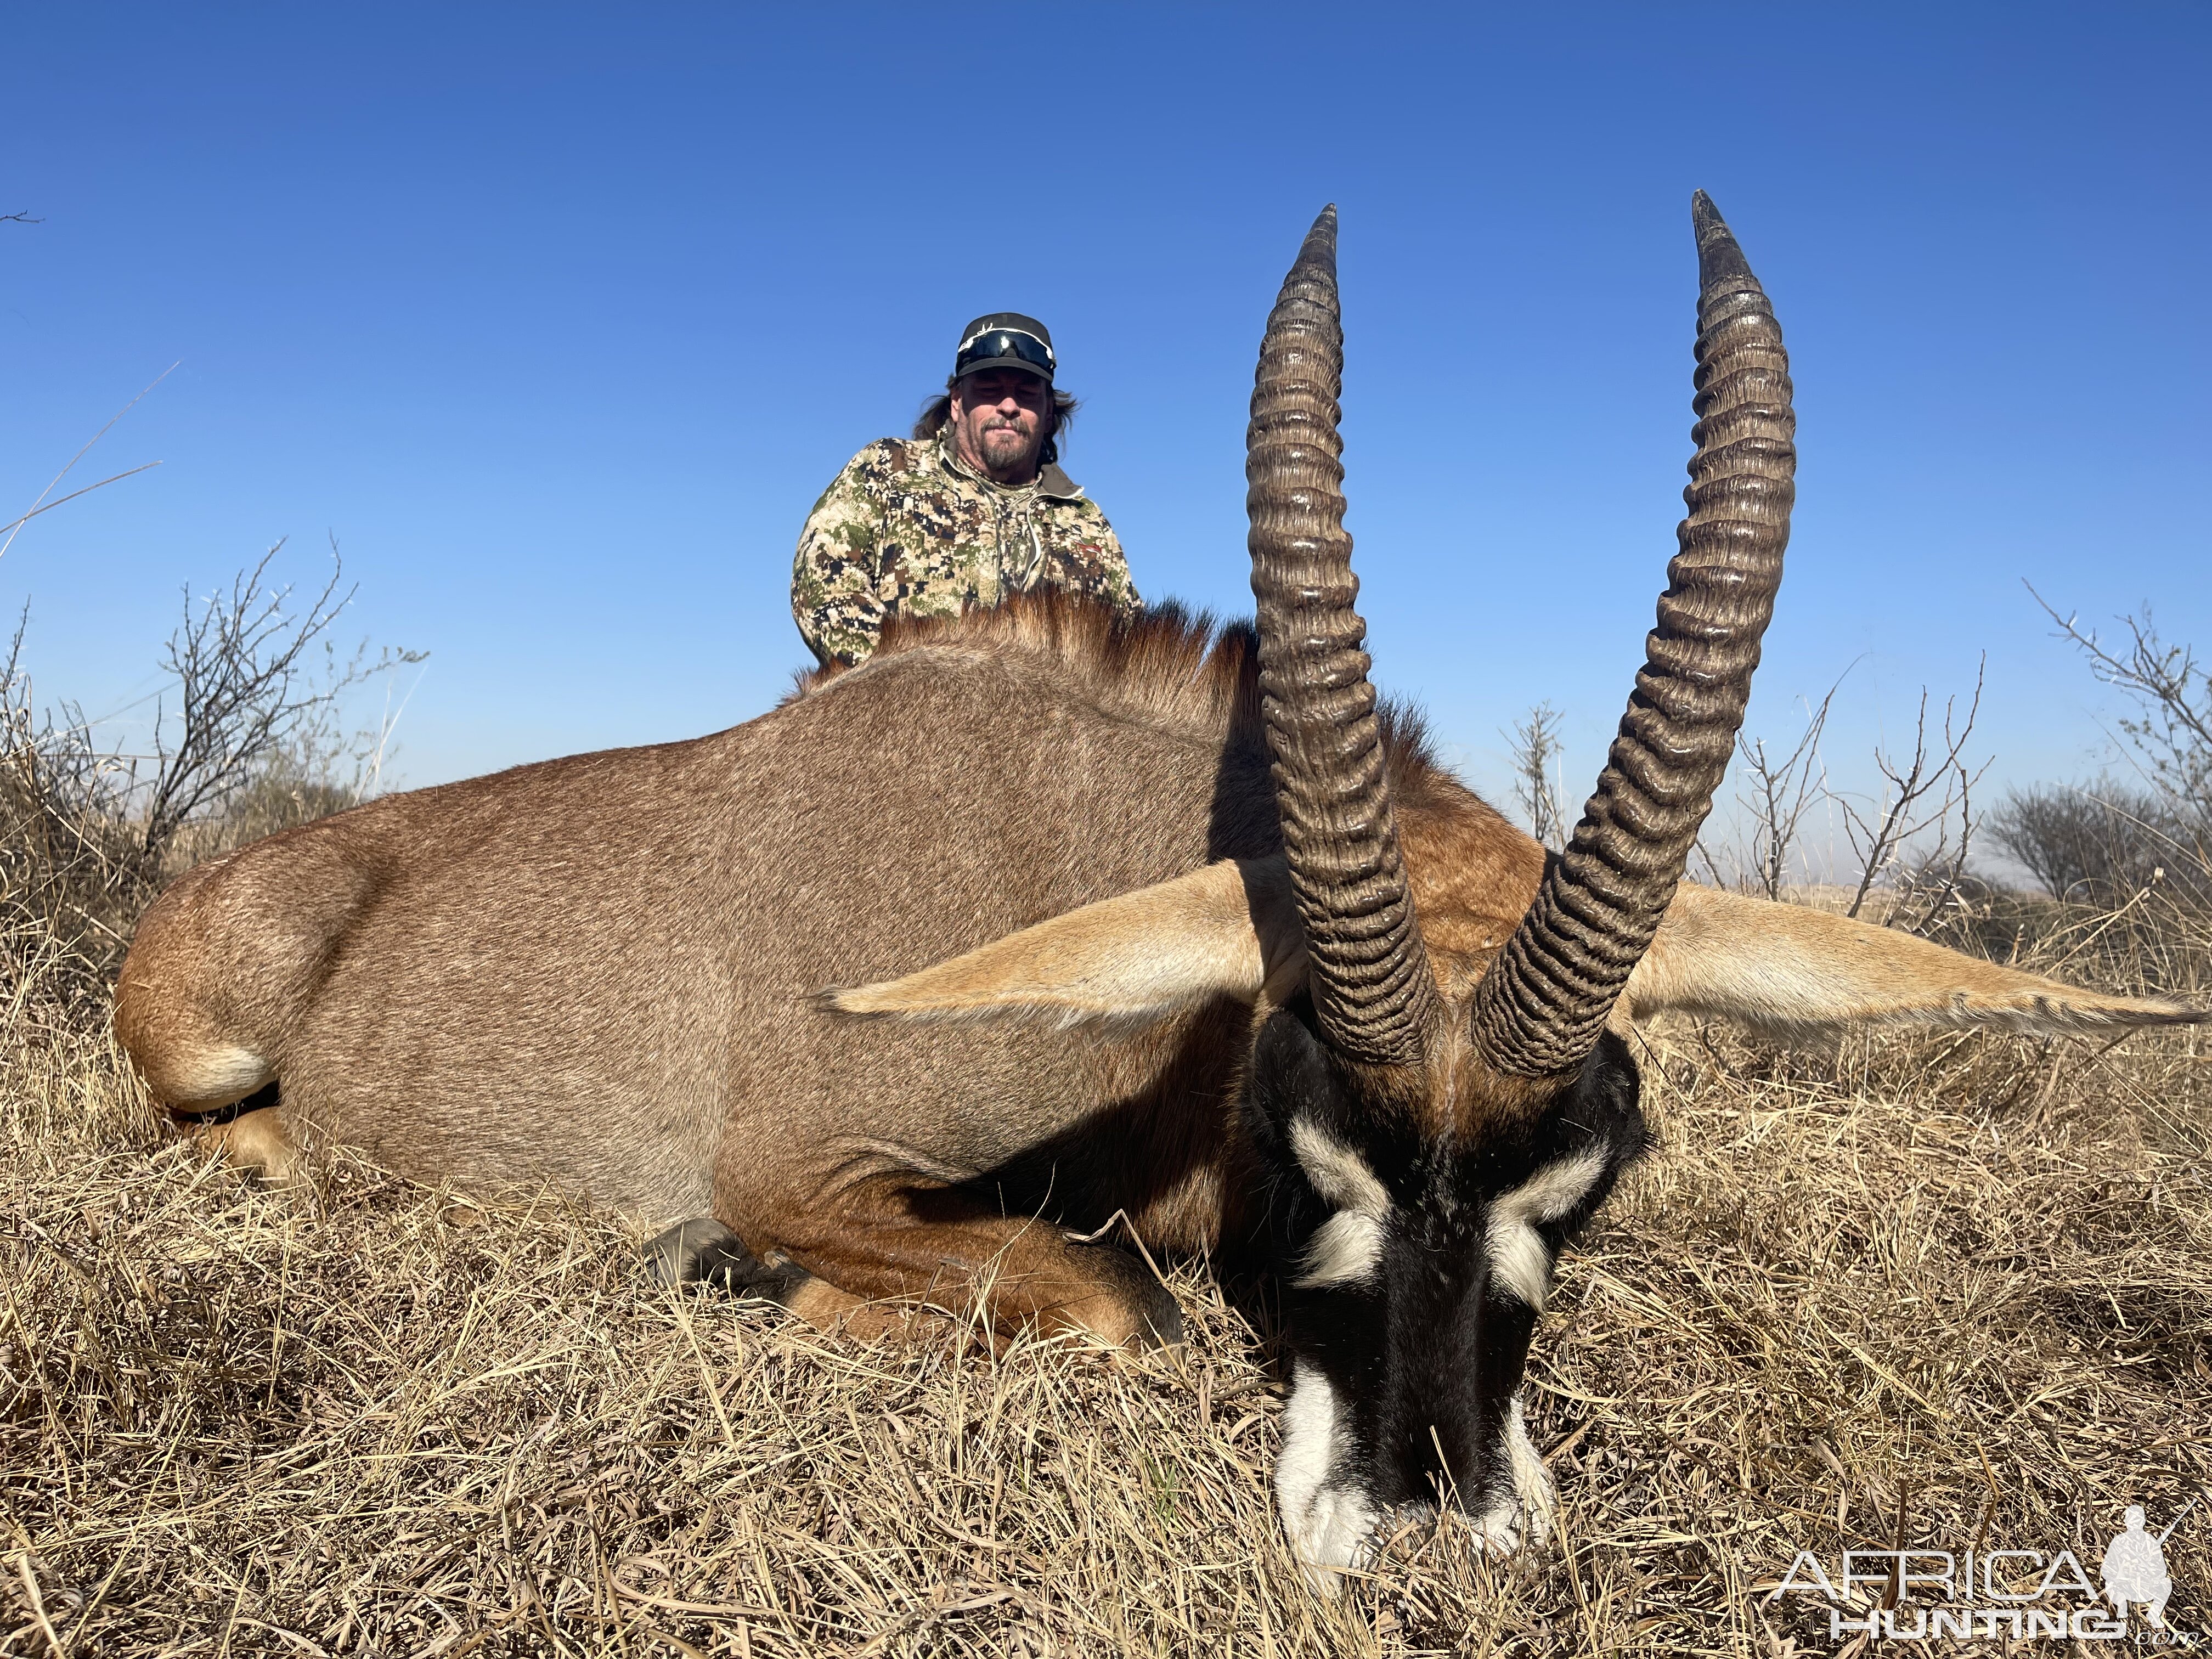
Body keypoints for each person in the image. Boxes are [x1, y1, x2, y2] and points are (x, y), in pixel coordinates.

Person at [791, 313, 1139, 668]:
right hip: (909, 715)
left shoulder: (1087, 520)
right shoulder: (889, 467)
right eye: (989, 389)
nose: (1008, 406)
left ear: (1049, 411)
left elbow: (1132, 649)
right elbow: (823, 575)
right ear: (957, 402)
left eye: (1027, 392)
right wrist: (907, 692)